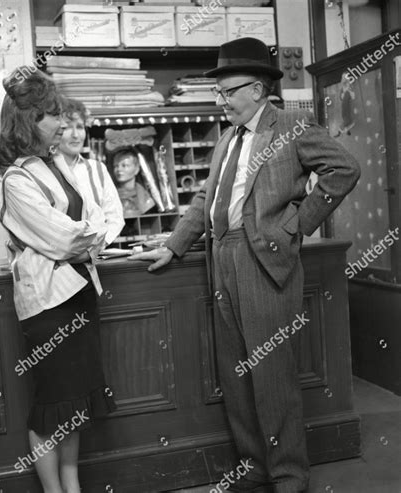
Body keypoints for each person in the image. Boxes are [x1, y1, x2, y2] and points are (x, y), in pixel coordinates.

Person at [129, 38, 360, 493]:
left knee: (273, 375)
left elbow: (344, 168)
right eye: (219, 92)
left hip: (265, 262)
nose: (222, 100)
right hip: (222, 258)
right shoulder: (225, 142)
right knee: (237, 374)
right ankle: (254, 466)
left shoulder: (292, 125)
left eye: (228, 91)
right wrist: (174, 247)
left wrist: (297, 223)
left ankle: (289, 475)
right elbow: (204, 201)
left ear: (258, 89)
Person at [0, 67, 118, 493]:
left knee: (76, 405)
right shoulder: (17, 178)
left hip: (80, 294)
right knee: (53, 405)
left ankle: (72, 485)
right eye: (51, 116)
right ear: (30, 121)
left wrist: (88, 236)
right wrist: (89, 238)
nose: (61, 124)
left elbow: (95, 220)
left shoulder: (53, 166)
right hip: (48, 306)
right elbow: (64, 238)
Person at [55, 97, 124, 243]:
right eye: (67, 127)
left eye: (80, 127)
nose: (75, 135)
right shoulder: (46, 171)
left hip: (95, 257)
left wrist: (99, 245)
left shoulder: (97, 169)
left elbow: (115, 218)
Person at [112, 149, 155, 216]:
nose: (119, 169)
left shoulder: (146, 198)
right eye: (116, 166)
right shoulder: (110, 196)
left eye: (124, 165)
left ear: (137, 169)